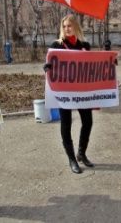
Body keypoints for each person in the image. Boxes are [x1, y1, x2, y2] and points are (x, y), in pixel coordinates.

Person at [44, 14, 94, 174]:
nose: (67, 29)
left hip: (82, 92)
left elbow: (92, 67)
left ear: (76, 27)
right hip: (64, 92)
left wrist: (108, 64)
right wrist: (46, 67)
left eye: (69, 26)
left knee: (88, 122)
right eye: (64, 26)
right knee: (66, 125)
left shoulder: (85, 45)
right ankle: (72, 159)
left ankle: (81, 153)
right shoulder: (56, 45)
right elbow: (50, 64)